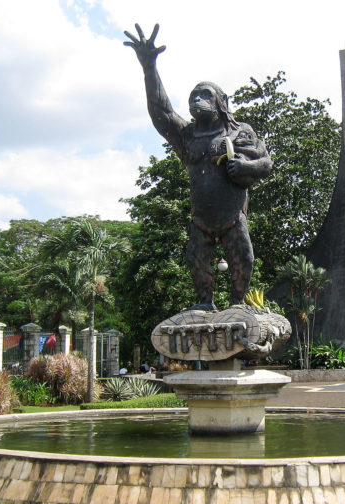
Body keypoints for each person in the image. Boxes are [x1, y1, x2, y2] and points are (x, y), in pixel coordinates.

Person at [124, 24, 273, 309]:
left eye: (204, 95)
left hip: (232, 216)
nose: (196, 101)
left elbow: (265, 163)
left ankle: (238, 303)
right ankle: (205, 303)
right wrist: (149, 67)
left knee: (244, 258)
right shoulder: (187, 136)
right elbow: (161, 112)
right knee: (195, 260)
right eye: (193, 96)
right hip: (200, 219)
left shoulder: (239, 132)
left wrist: (244, 167)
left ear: (221, 103)